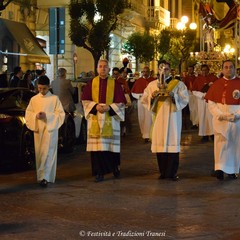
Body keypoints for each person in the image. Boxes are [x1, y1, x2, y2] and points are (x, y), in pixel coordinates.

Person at [141, 61, 189, 180]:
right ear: (158, 70)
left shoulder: (178, 84)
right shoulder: (152, 85)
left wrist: (174, 96)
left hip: (172, 118)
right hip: (158, 119)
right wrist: (151, 98)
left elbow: (185, 99)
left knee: (172, 144)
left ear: (170, 70)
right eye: (162, 69)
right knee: (160, 144)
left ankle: (172, 172)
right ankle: (163, 172)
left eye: (166, 69)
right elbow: (144, 99)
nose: (164, 71)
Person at [81, 59, 126, 182]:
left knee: (111, 147)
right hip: (96, 117)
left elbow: (121, 102)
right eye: (100, 66)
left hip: (110, 118)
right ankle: (99, 172)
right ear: (97, 69)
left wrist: (109, 107)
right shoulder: (91, 83)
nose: (103, 69)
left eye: (105, 66)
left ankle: (114, 168)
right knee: (98, 148)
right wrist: (95, 106)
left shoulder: (115, 84)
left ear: (109, 69)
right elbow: (85, 100)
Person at [25, 75, 65, 187]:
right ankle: (40, 176)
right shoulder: (34, 99)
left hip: (50, 130)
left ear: (49, 87)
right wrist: (36, 116)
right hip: (38, 130)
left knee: (49, 152)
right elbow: (28, 113)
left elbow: (60, 114)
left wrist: (47, 116)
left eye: (44, 89)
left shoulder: (54, 99)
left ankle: (46, 177)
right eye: (39, 88)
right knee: (39, 153)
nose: (42, 91)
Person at [205, 60, 240, 180]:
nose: (228, 69)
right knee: (220, 144)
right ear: (222, 70)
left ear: (235, 69)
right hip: (220, 119)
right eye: (226, 67)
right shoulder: (217, 83)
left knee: (234, 145)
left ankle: (232, 170)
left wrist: (236, 115)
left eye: (231, 67)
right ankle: (219, 169)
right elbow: (211, 103)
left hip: (236, 120)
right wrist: (220, 115)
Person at [192, 64, 218, 142]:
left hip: (211, 100)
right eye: (203, 70)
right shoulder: (197, 79)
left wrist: (210, 94)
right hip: (201, 100)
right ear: (201, 71)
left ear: (208, 70)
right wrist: (202, 95)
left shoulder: (213, 78)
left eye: (206, 70)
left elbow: (218, 88)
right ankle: (204, 135)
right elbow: (193, 90)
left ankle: (213, 134)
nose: (204, 72)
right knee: (202, 116)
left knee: (211, 116)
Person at [131, 66, 155, 142]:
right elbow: (133, 92)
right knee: (141, 117)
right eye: (143, 71)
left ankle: (148, 134)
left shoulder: (153, 81)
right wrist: (140, 96)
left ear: (149, 72)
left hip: (150, 102)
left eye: (146, 71)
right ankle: (144, 133)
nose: (145, 73)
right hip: (141, 101)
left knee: (149, 118)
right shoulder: (138, 81)